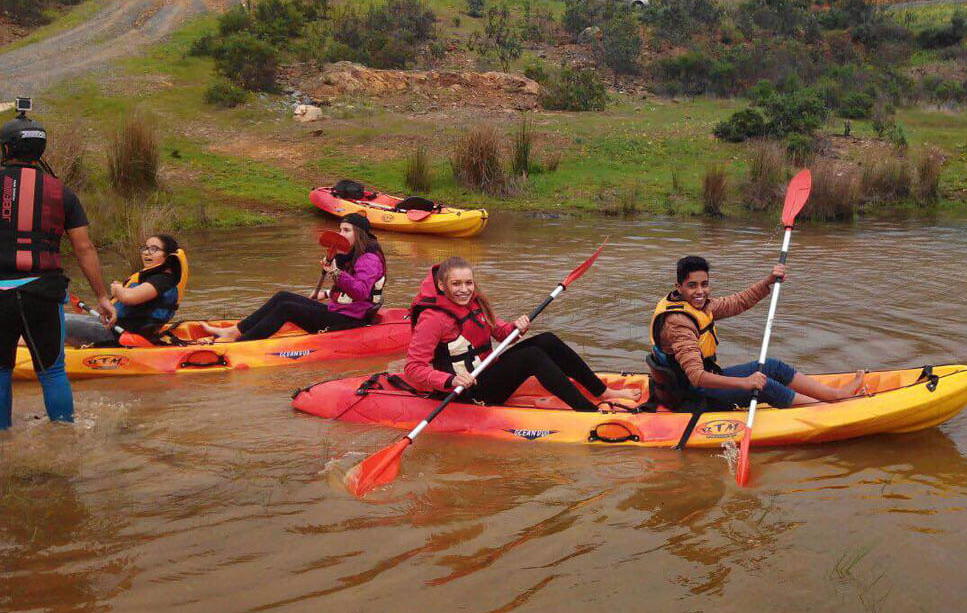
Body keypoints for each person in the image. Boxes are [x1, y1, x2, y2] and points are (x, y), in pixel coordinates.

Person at [0, 111, 114, 430]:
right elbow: (84, 248)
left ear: (6, 149)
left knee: (0, 371)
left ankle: (4, 444)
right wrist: (103, 297)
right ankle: (65, 437)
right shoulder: (62, 193)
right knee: (51, 371)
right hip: (43, 294)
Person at [403, 255, 632, 412]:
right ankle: (588, 412)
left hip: (487, 372)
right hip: (466, 390)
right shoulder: (432, 318)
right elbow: (413, 368)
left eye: (468, 283)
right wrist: (450, 379)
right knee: (531, 356)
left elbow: (500, 333)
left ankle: (603, 392)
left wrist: (516, 328)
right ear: (442, 286)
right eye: (456, 284)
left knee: (547, 340)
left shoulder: (474, 302)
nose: (464, 289)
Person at [650, 254, 865, 411]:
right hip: (693, 393)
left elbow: (737, 302)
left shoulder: (699, 305)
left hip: (706, 380)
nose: (700, 291)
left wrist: (768, 281)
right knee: (764, 385)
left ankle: (835, 396)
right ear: (678, 287)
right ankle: (825, 410)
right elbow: (697, 377)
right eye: (692, 285)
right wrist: (745, 382)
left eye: (704, 284)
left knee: (772, 366)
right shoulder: (678, 324)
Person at [201, 215, 385, 342]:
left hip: (351, 319)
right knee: (282, 296)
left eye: (346, 230)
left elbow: (361, 292)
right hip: (340, 310)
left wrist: (335, 272)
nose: (340, 234)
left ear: (359, 234)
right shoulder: (352, 254)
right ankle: (235, 330)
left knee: (287, 308)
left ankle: (243, 343)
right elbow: (348, 288)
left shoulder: (369, 259)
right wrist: (326, 292)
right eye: (340, 229)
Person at [66, 233, 187, 347]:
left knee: (56, 324)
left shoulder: (163, 280)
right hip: (114, 328)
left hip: (120, 335)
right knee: (60, 317)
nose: (146, 253)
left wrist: (117, 289)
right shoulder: (152, 278)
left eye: (154, 249)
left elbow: (129, 298)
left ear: (168, 255)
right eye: (145, 248)